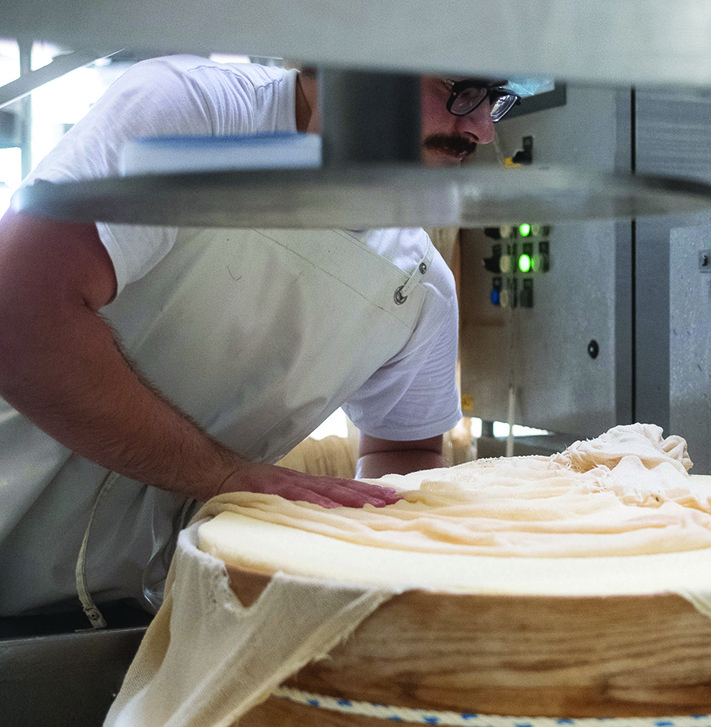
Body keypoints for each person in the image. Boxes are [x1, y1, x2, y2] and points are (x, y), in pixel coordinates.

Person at [0, 54, 523, 621]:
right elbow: (19, 314)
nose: (482, 129)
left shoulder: (422, 287)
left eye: (491, 95)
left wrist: (369, 554)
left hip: (133, 604)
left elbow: (405, 450)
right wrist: (222, 475)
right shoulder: (197, 115)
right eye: (457, 87)